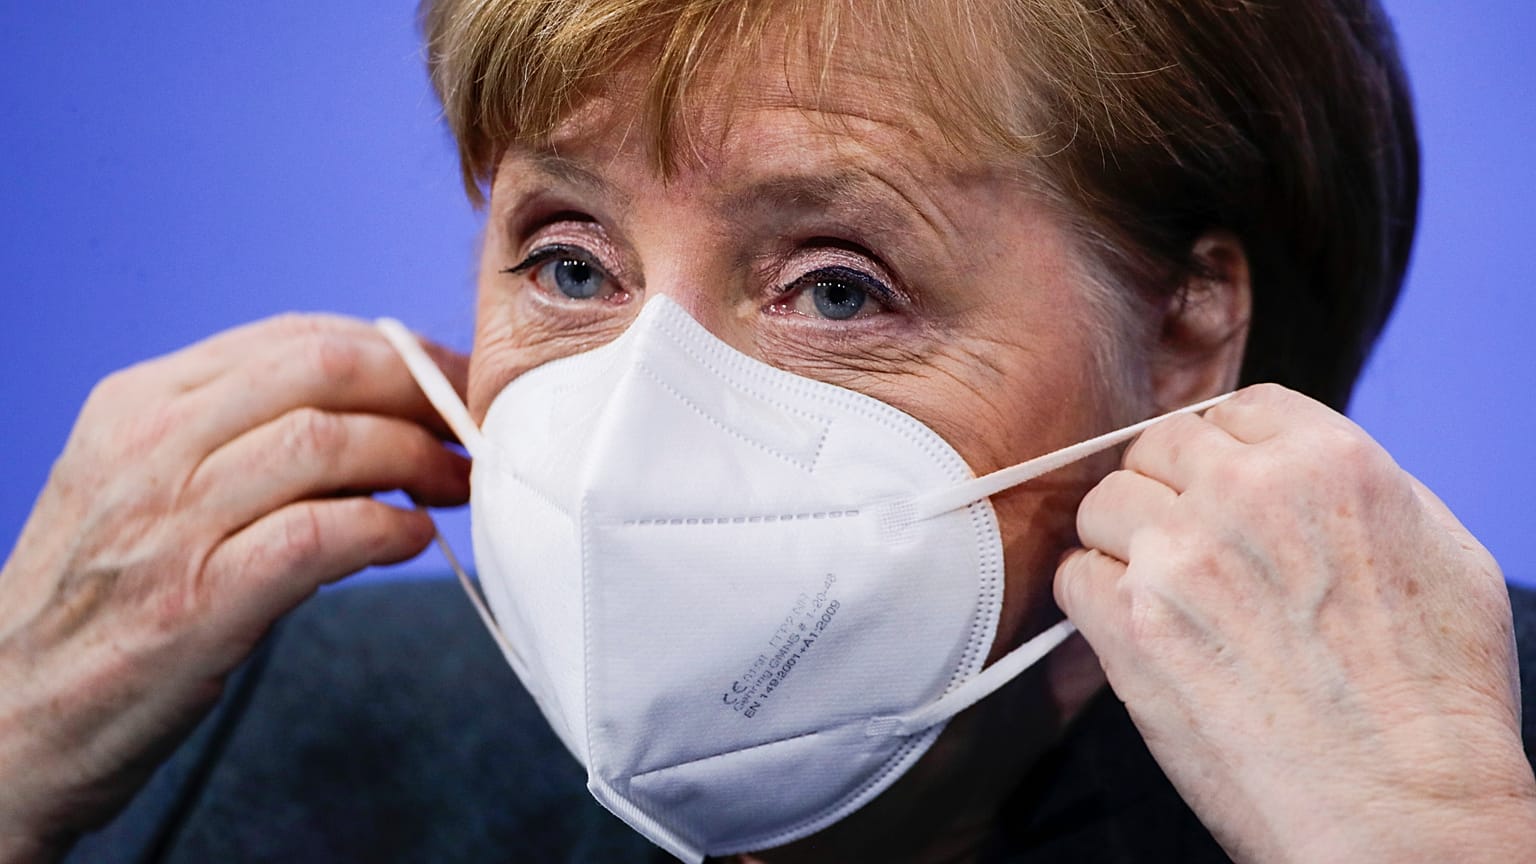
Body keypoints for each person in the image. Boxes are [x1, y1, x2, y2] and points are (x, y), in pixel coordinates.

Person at [4, 0, 1534, 861]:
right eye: (572, 263)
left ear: (1189, 336)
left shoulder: (1474, 787)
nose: (632, 431)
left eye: (838, 287)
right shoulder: (254, 750)